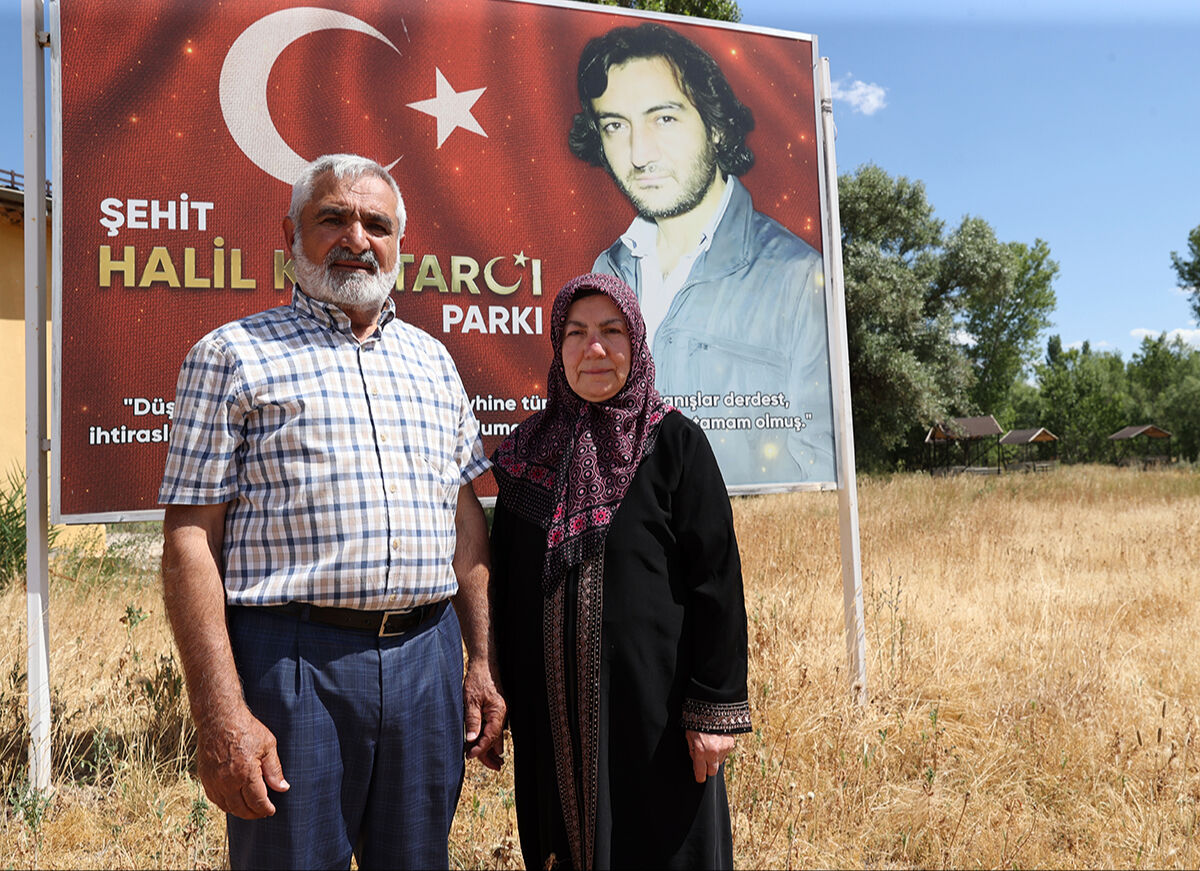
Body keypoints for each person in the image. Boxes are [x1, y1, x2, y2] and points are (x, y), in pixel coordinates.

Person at [158, 153, 505, 870]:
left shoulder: (433, 362)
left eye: (377, 223)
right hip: (291, 666)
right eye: (333, 219)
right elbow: (191, 539)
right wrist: (220, 711)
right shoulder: (230, 356)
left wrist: (481, 661)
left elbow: (466, 523)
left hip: (426, 661)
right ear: (290, 235)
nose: (356, 238)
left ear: (399, 243)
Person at [490, 272, 752, 870]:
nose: (595, 348)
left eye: (612, 331)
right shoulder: (528, 453)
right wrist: (497, 690)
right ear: (557, 348)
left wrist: (713, 708)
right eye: (576, 333)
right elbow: (504, 582)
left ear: (635, 343)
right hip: (550, 717)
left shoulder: (674, 443)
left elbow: (717, 582)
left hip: (656, 715)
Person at [569, 22, 836, 486]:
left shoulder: (799, 278)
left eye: (664, 119)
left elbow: (821, 477)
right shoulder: (607, 270)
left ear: (716, 127)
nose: (638, 154)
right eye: (615, 125)